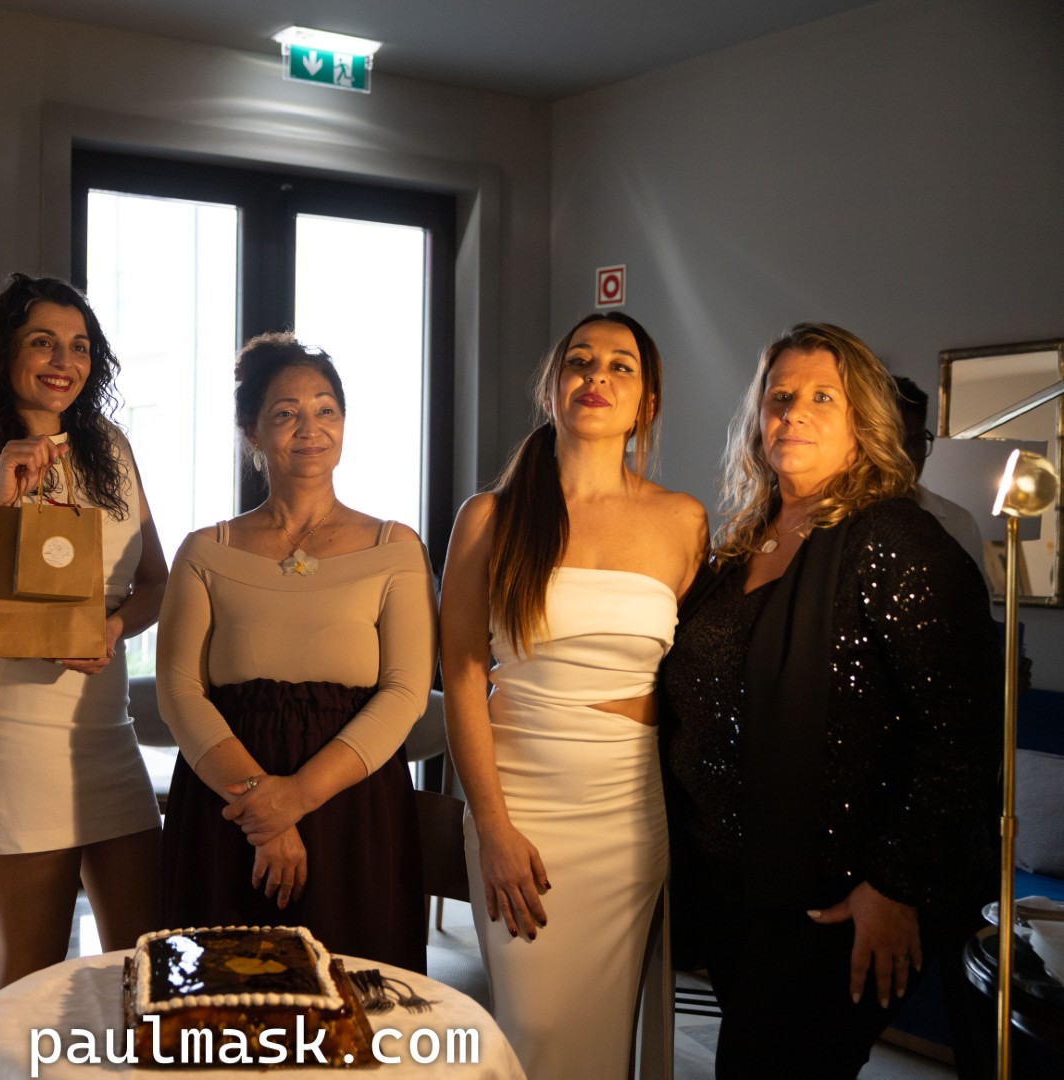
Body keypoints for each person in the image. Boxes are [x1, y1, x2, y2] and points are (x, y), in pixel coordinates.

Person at [663, 323, 1001, 1079]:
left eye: (823, 397)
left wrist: (895, 887)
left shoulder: (897, 540)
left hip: (835, 902)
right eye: (780, 396)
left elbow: (960, 736)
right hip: (739, 892)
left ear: (863, 423)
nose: (794, 412)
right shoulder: (745, 544)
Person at [440, 311, 707, 1078]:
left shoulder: (684, 521)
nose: (597, 376)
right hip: (521, 805)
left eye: (621, 366)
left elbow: (698, 677)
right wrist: (492, 826)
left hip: (628, 815)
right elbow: (462, 676)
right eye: (580, 361)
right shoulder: (489, 518)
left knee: (600, 1035)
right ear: (552, 388)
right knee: (536, 1027)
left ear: (646, 403)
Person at [155, 332, 436, 973]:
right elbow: (178, 691)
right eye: (286, 413)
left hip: (352, 811)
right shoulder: (204, 551)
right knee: (220, 1001)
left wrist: (297, 798)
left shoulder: (396, 547)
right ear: (252, 431)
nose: (310, 428)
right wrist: (266, 811)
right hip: (227, 812)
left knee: (352, 1002)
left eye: (325, 409)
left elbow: (405, 692)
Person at [0, 273, 166, 990]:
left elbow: (156, 583)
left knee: (148, 958)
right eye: (43, 342)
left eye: (79, 346)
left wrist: (113, 625)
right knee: (32, 970)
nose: (63, 361)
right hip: (24, 739)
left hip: (108, 733)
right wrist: (5, 503)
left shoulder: (112, 450)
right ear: (6, 354)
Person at [893, 375, 986, 571]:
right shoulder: (845, 520)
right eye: (895, 445)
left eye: (916, 443)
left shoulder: (958, 521)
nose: (907, 458)